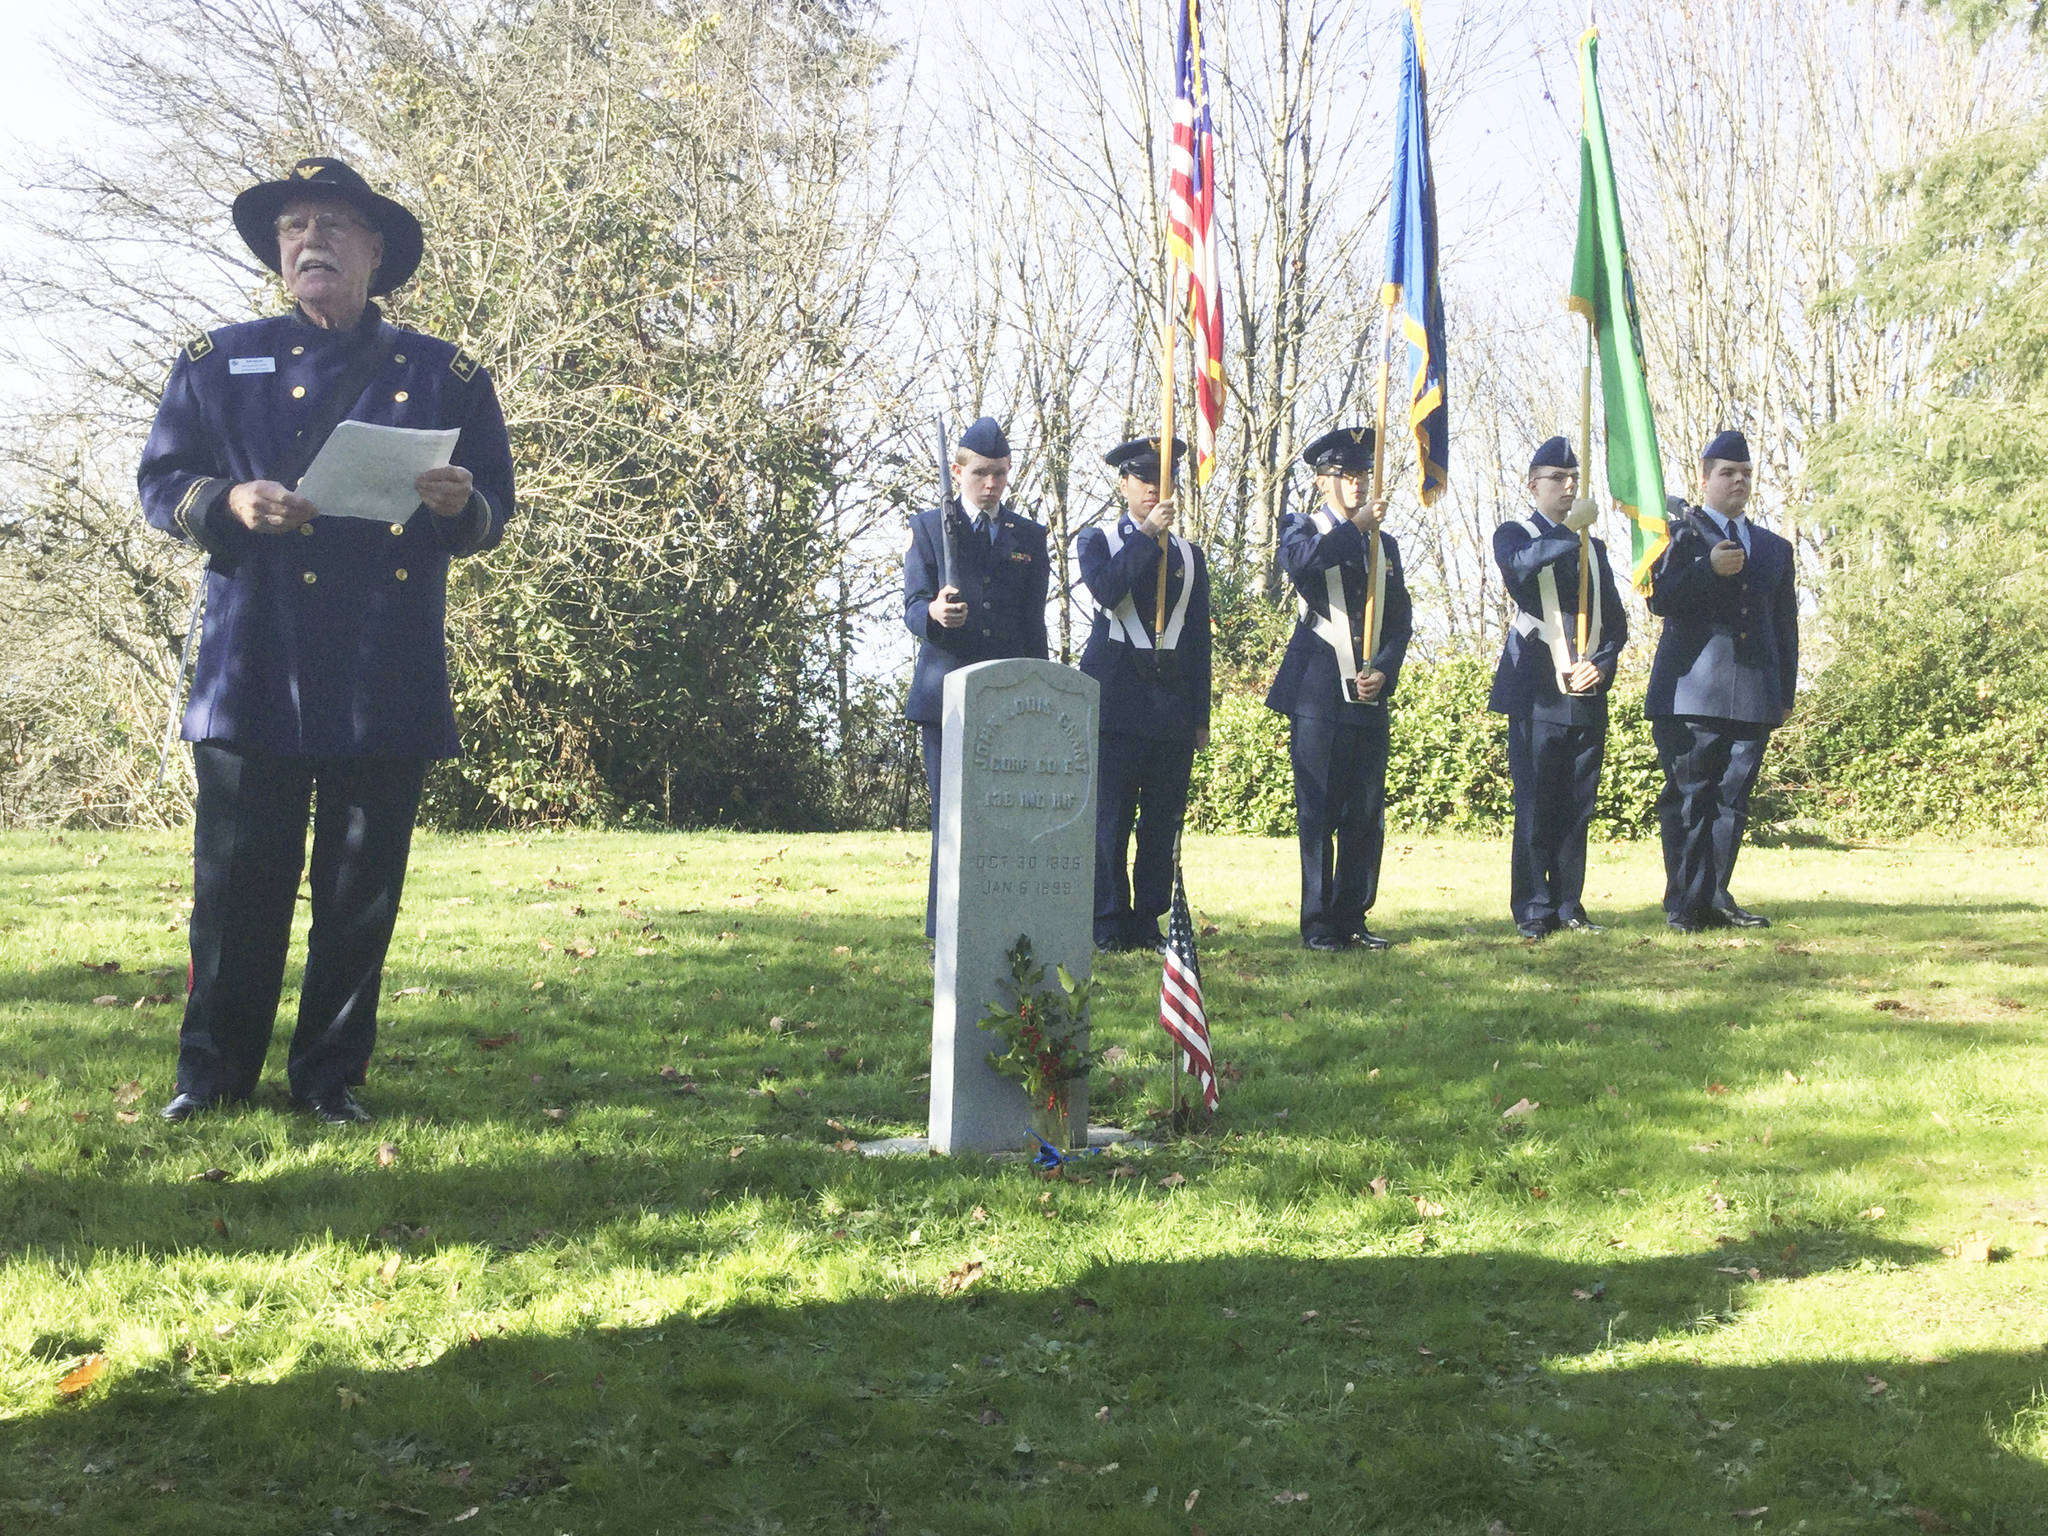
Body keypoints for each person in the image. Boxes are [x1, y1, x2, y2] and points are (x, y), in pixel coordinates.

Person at [139, 157, 516, 1124]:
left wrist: (456, 505)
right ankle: (211, 1077)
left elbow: (493, 511)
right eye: (295, 225)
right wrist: (226, 499)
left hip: (381, 663)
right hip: (252, 656)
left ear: (376, 252)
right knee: (236, 886)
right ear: (277, 249)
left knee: (357, 894)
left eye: (336, 227)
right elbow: (161, 481)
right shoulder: (215, 360)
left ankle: (329, 1081)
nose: (312, 241)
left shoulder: (446, 375)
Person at [902, 416, 1050, 937]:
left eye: (1001, 475)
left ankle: (1001, 920)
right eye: (982, 473)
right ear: (958, 471)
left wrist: (1039, 692)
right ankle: (944, 927)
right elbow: (912, 605)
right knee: (952, 817)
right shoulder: (927, 528)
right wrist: (934, 617)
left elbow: (1033, 621)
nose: (991, 485)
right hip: (947, 693)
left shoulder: (1029, 536)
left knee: (1007, 814)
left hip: (1008, 693)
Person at [1265, 427, 1412, 951]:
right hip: (1318, 691)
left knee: (1365, 811)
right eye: (1347, 476)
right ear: (1324, 480)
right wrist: (1356, 530)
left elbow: (1400, 619)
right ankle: (1318, 921)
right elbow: (1303, 565)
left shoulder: (1385, 545)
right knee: (1318, 809)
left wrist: (1386, 670)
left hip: (1368, 692)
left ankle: (1354, 914)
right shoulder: (1301, 527)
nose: (1357, 485)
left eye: (1363, 474)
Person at [1645, 430, 1798, 932]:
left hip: (1754, 692)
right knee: (1689, 801)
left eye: (1746, 473)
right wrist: (1707, 568)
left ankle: (1716, 898)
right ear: (1705, 478)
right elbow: (1659, 598)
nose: (1738, 481)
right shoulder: (1674, 536)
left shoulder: (1774, 548)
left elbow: (1784, 625)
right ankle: (1684, 905)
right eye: (1727, 472)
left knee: (1732, 802)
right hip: (1690, 690)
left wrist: (1785, 693)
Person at [1074, 436, 1212, 952]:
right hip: (1116, 701)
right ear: (1125, 483)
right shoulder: (1099, 540)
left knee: (1161, 820)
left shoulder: (1190, 557)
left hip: (1171, 705)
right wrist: (1146, 536)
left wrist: (1200, 716)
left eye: (1164, 478)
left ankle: (1147, 918)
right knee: (1110, 818)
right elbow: (1107, 590)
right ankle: (1107, 920)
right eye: (1144, 478)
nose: (1155, 487)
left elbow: (1199, 640)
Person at [1488, 436, 1628, 939]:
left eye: (1574, 480)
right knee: (1536, 801)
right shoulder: (1515, 533)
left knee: (1577, 804)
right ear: (1534, 486)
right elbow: (1521, 567)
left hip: (1585, 691)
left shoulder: (1595, 548)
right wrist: (1570, 530)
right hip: (1535, 690)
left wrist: (1603, 665)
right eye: (1557, 480)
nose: (1569, 488)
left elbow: (1617, 623)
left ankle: (1569, 903)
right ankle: (1532, 907)